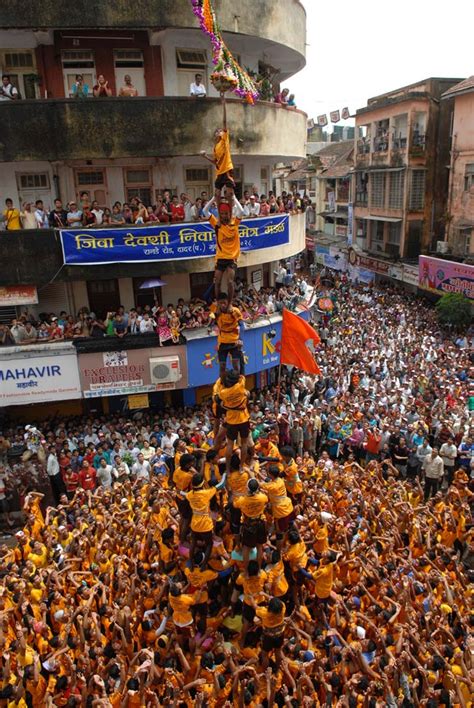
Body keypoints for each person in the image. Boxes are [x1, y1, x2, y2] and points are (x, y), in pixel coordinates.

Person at [203, 196, 245, 302]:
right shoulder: (217, 225)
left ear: (229, 214)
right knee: (216, 282)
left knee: (230, 282)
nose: (224, 216)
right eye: (222, 214)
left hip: (232, 258)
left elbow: (241, 210)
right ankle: (218, 303)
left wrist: (234, 198)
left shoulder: (235, 223)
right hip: (221, 257)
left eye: (226, 214)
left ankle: (230, 303)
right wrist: (213, 198)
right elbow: (205, 210)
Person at [200, 94, 235, 203]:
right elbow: (215, 161)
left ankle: (231, 209)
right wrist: (205, 156)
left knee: (229, 194)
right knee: (217, 195)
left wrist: (224, 105)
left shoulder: (224, 139)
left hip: (227, 169)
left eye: (219, 131)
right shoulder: (215, 147)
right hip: (219, 173)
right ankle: (221, 213)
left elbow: (224, 122)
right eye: (217, 131)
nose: (219, 132)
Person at [218, 370, 251, 474]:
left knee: (230, 445)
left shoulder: (223, 393)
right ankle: (241, 466)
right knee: (244, 443)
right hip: (244, 419)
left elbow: (220, 398)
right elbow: (242, 375)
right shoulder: (241, 386)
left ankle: (227, 469)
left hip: (231, 421)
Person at [212, 291, 245, 379]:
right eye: (220, 303)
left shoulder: (235, 311)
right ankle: (222, 384)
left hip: (234, 341)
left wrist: (240, 339)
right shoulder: (216, 311)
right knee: (222, 366)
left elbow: (242, 325)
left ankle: (238, 384)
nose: (223, 305)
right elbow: (211, 322)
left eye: (224, 303)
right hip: (222, 342)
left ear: (228, 302)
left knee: (236, 366)